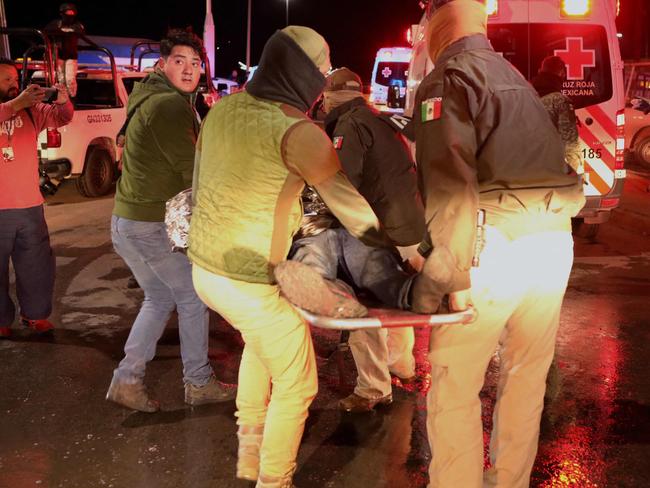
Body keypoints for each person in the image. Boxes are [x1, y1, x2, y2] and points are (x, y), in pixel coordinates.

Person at [189, 26, 391, 488]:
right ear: (305, 74)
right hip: (250, 281)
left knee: (263, 350)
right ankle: (273, 481)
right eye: (320, 72)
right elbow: (353, 211)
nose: (322, 83)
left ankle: (249, 458)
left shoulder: (224, 109)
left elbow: (199, 182)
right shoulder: (299, 132)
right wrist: (406, 256)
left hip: (205, 269)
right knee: (299, 384)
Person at [409, 1, 586, 487]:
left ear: (438, 24)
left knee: (455, 383)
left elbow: (450, 187)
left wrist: (452, 274)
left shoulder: (448, 79)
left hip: (494, 248)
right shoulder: (514, 76)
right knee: (526, 377)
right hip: (552, 245)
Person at [106, 30, 234, 414]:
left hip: (127, 222)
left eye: (196, 63)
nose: (190, 69)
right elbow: (191, 172)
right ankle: (198, 382)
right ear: (163, 65)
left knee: (160, 297)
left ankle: (127, 380)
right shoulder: (169, 106)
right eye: (180, 61)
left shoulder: (151, 97)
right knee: (192, 297)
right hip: (148, 225)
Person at [289, 67, 426, 413]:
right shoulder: (380, 119)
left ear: (330, 96)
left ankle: (373, 388)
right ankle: (401, 365)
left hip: (382, 231)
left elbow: (342, 183)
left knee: (364, 310)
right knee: (396, 299)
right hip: (410, 228)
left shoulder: (349, 126)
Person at [0, 59, 73, 339]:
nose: (13, 84)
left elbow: (62, 117)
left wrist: (64, 101)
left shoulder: (31, 110)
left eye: (15, 79)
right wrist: (16, 103)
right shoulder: (17, 105)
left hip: (29, 206)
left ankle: (35, 315)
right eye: (6, 79)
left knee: (36, 266)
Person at [532, 55, 582, 175]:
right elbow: (570, 143)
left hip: (525, 168)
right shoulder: (560, 101)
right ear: (561, 74)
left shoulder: (525, 94)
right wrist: (576, 173)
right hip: (551, 170)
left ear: (540, 71)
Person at [44, 3, 85, 97]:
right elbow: (46, 30)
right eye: (68, 12)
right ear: (62, 13)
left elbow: (81, 31)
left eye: (72, 13)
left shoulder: (77, 25)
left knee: (70, 79)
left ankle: (72, 98)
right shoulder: (56, 23)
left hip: (71, 56)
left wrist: (63, 32)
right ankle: (63, 98)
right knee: (61, 79)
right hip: (58, 55)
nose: (70, 15)